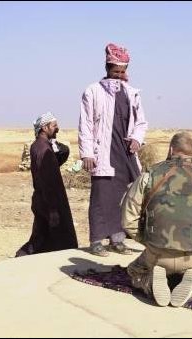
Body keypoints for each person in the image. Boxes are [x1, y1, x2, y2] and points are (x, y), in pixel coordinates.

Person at [121, 132, 192, 307]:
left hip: (156, 254)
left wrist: (147, 241)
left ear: (171, 150)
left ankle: (149, 282)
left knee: (134, 271)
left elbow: (128, 220)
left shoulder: (149, 176)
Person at [79, 43, 148, 256]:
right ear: (107, 68)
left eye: (122, 71)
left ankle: (118, 240)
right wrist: (87, 153)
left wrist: (137, 139)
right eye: (115, 71)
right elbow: (86, 123)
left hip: (125, 154)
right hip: (103, 153)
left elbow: (141, 122)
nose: (118, 75)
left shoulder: (131, 93)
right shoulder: (92, 91)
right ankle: (97, 241)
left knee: (123, 197)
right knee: (101, 198)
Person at [16, 112, 78, 256]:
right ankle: (20, 259)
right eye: (54, 126)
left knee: (41, 238)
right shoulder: (43, 150)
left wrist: (57, 147)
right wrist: (53, 210)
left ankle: (22, 258)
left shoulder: (40, 146)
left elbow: (59, 159)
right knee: (55, 240)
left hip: (44, 201)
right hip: (50, 203)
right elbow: (47, 182)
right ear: (44, 128)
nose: (57, 129)